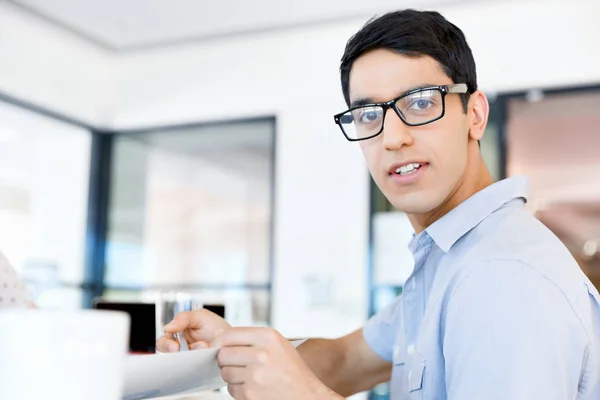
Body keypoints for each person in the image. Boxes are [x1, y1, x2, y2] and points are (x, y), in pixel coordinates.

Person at [157, 9, 600, 400]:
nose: (393, 138)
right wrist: (228, 348)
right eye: (369, 114)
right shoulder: (447, 258)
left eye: (421, 103)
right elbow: (345, 360)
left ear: (475, 114)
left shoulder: (502, 276)